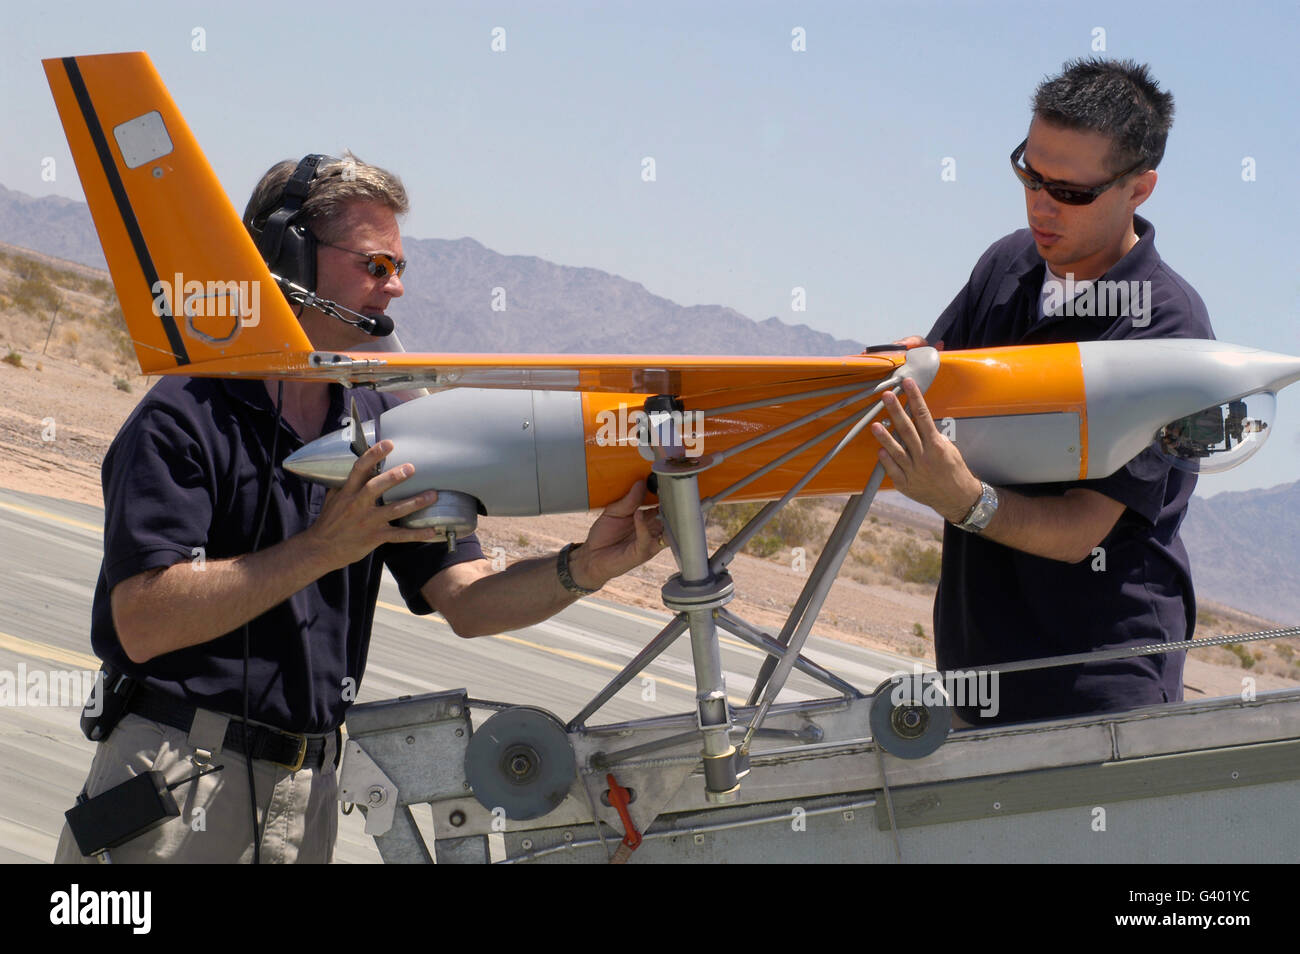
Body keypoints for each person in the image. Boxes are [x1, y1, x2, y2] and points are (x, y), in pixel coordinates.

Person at [55, 154, 665, 863]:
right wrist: (321, 548)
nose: (396, 287)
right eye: (375, 266)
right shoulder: (183, 417)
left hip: (305, 797)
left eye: (398, 266)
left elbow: (467, 602)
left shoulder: (385, 422)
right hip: (174, 783)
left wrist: (583, 569)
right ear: (288, 259)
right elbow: (141, 622)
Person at [877, 59, 1212, 725]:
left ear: (1139, 188)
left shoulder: (1169, 330)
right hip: (977, 675)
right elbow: (937, 393)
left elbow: (1082, 533)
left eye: (1070, 192)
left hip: (1096, 694)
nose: (1040, 204)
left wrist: (966, 503)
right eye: (1029, 175)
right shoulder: (1007, 265)